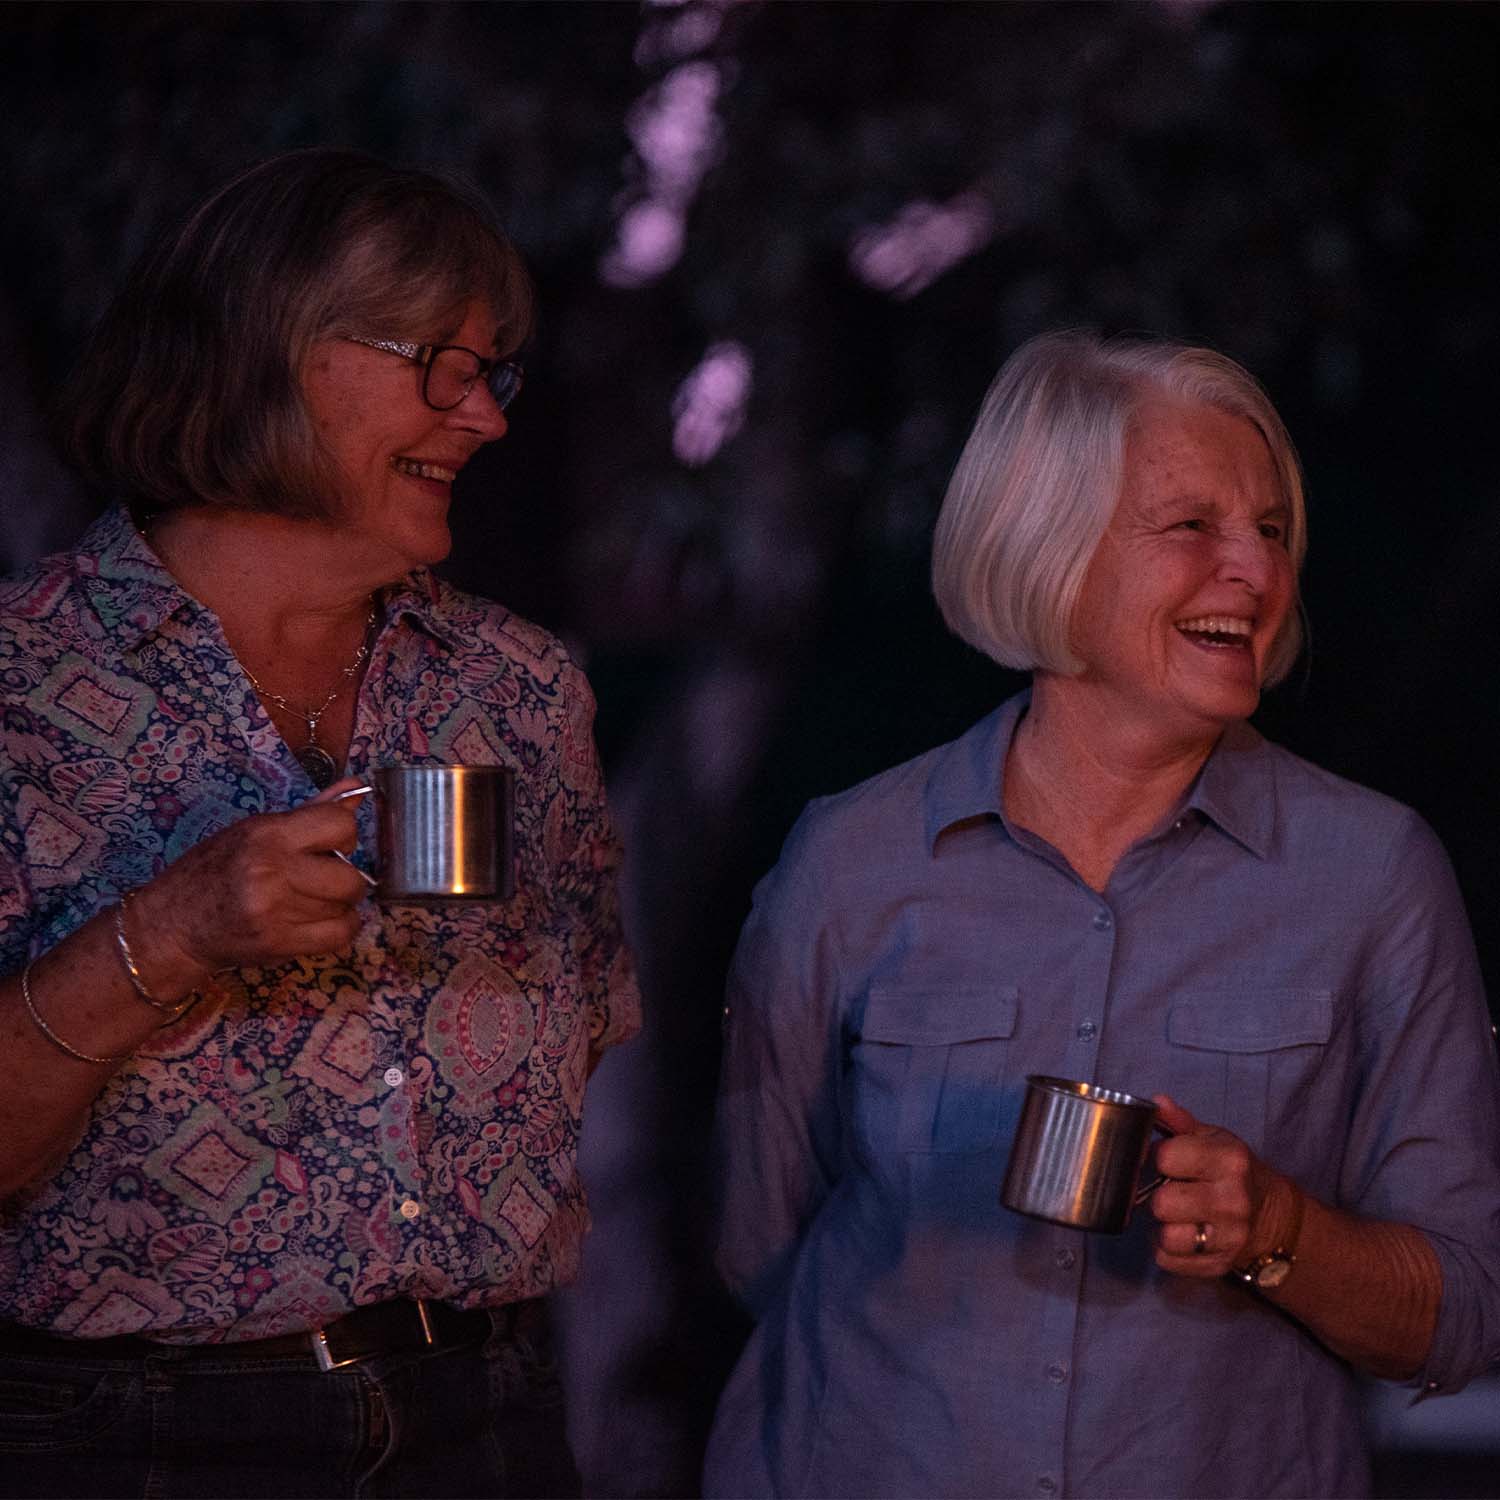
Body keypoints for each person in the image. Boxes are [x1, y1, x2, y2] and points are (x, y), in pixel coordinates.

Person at [703, 332, 1500, 1499]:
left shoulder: (1371, 874)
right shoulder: (852, 860)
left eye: (1272, 531)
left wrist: (1280, 1231)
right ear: (1049, 545)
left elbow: (1467, 1310)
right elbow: (756, 1241)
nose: (1258, 573)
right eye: (1194, 526)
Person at [0, 148, 639, 1499]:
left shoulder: (519, 693)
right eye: (442, 367)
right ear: (272, 354)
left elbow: (576, 1052)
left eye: (495, 374)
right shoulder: (29, 689)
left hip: (486, 1418)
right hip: (137, 1441)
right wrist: (169, 936)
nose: (485, 418)